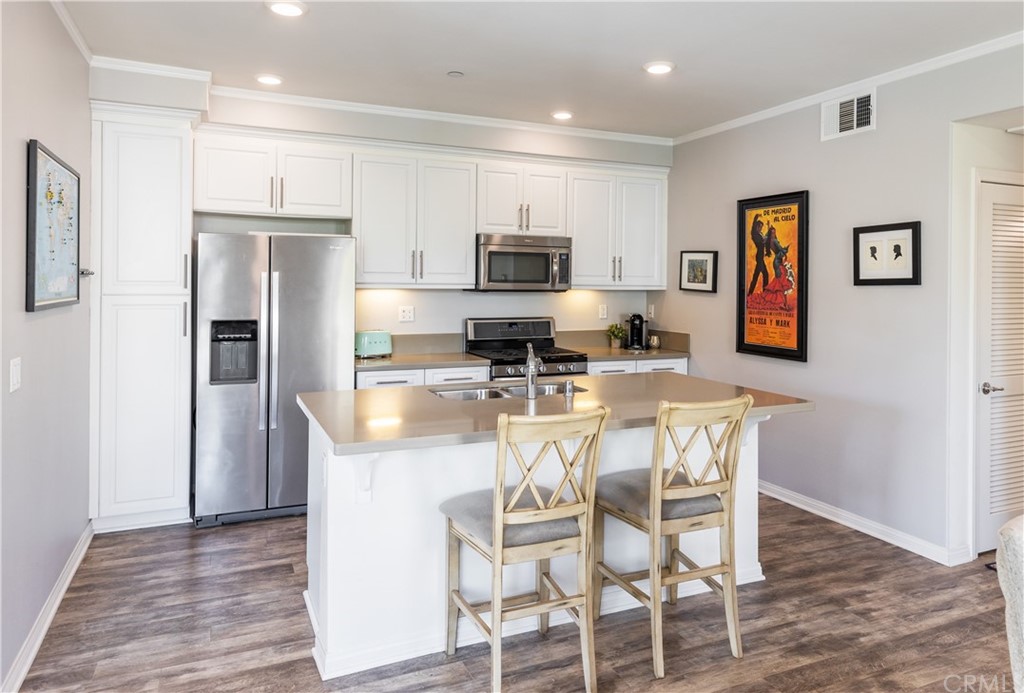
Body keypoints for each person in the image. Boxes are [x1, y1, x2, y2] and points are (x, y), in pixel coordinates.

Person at [746, 214, 769, 296]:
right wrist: (756, 216)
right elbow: (753, 225)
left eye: (761, 227)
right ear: (756, 227)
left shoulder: (760, 234)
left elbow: (764, 242)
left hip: (760, 257)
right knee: (765, 274)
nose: (761, 228)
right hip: (759, 257)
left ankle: (750, 293)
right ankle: (764, 293)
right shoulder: (754, 234)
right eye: (759, 227)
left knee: (757, 276)